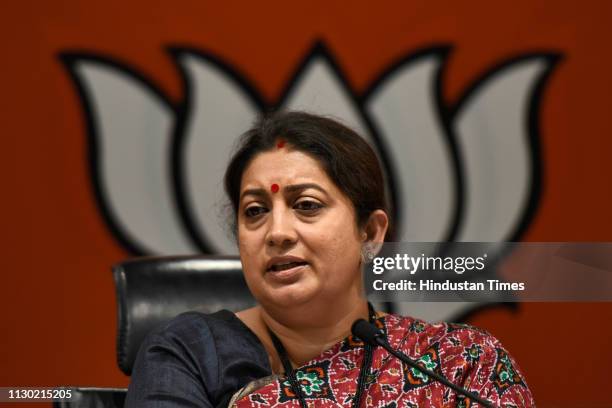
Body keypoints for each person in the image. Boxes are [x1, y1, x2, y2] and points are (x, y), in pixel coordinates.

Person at [126, 111, 534, 407]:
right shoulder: (189, 354)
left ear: (370, 233)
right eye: (255, 211)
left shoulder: (458, 363)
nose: (277, 232)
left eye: (306, 205)